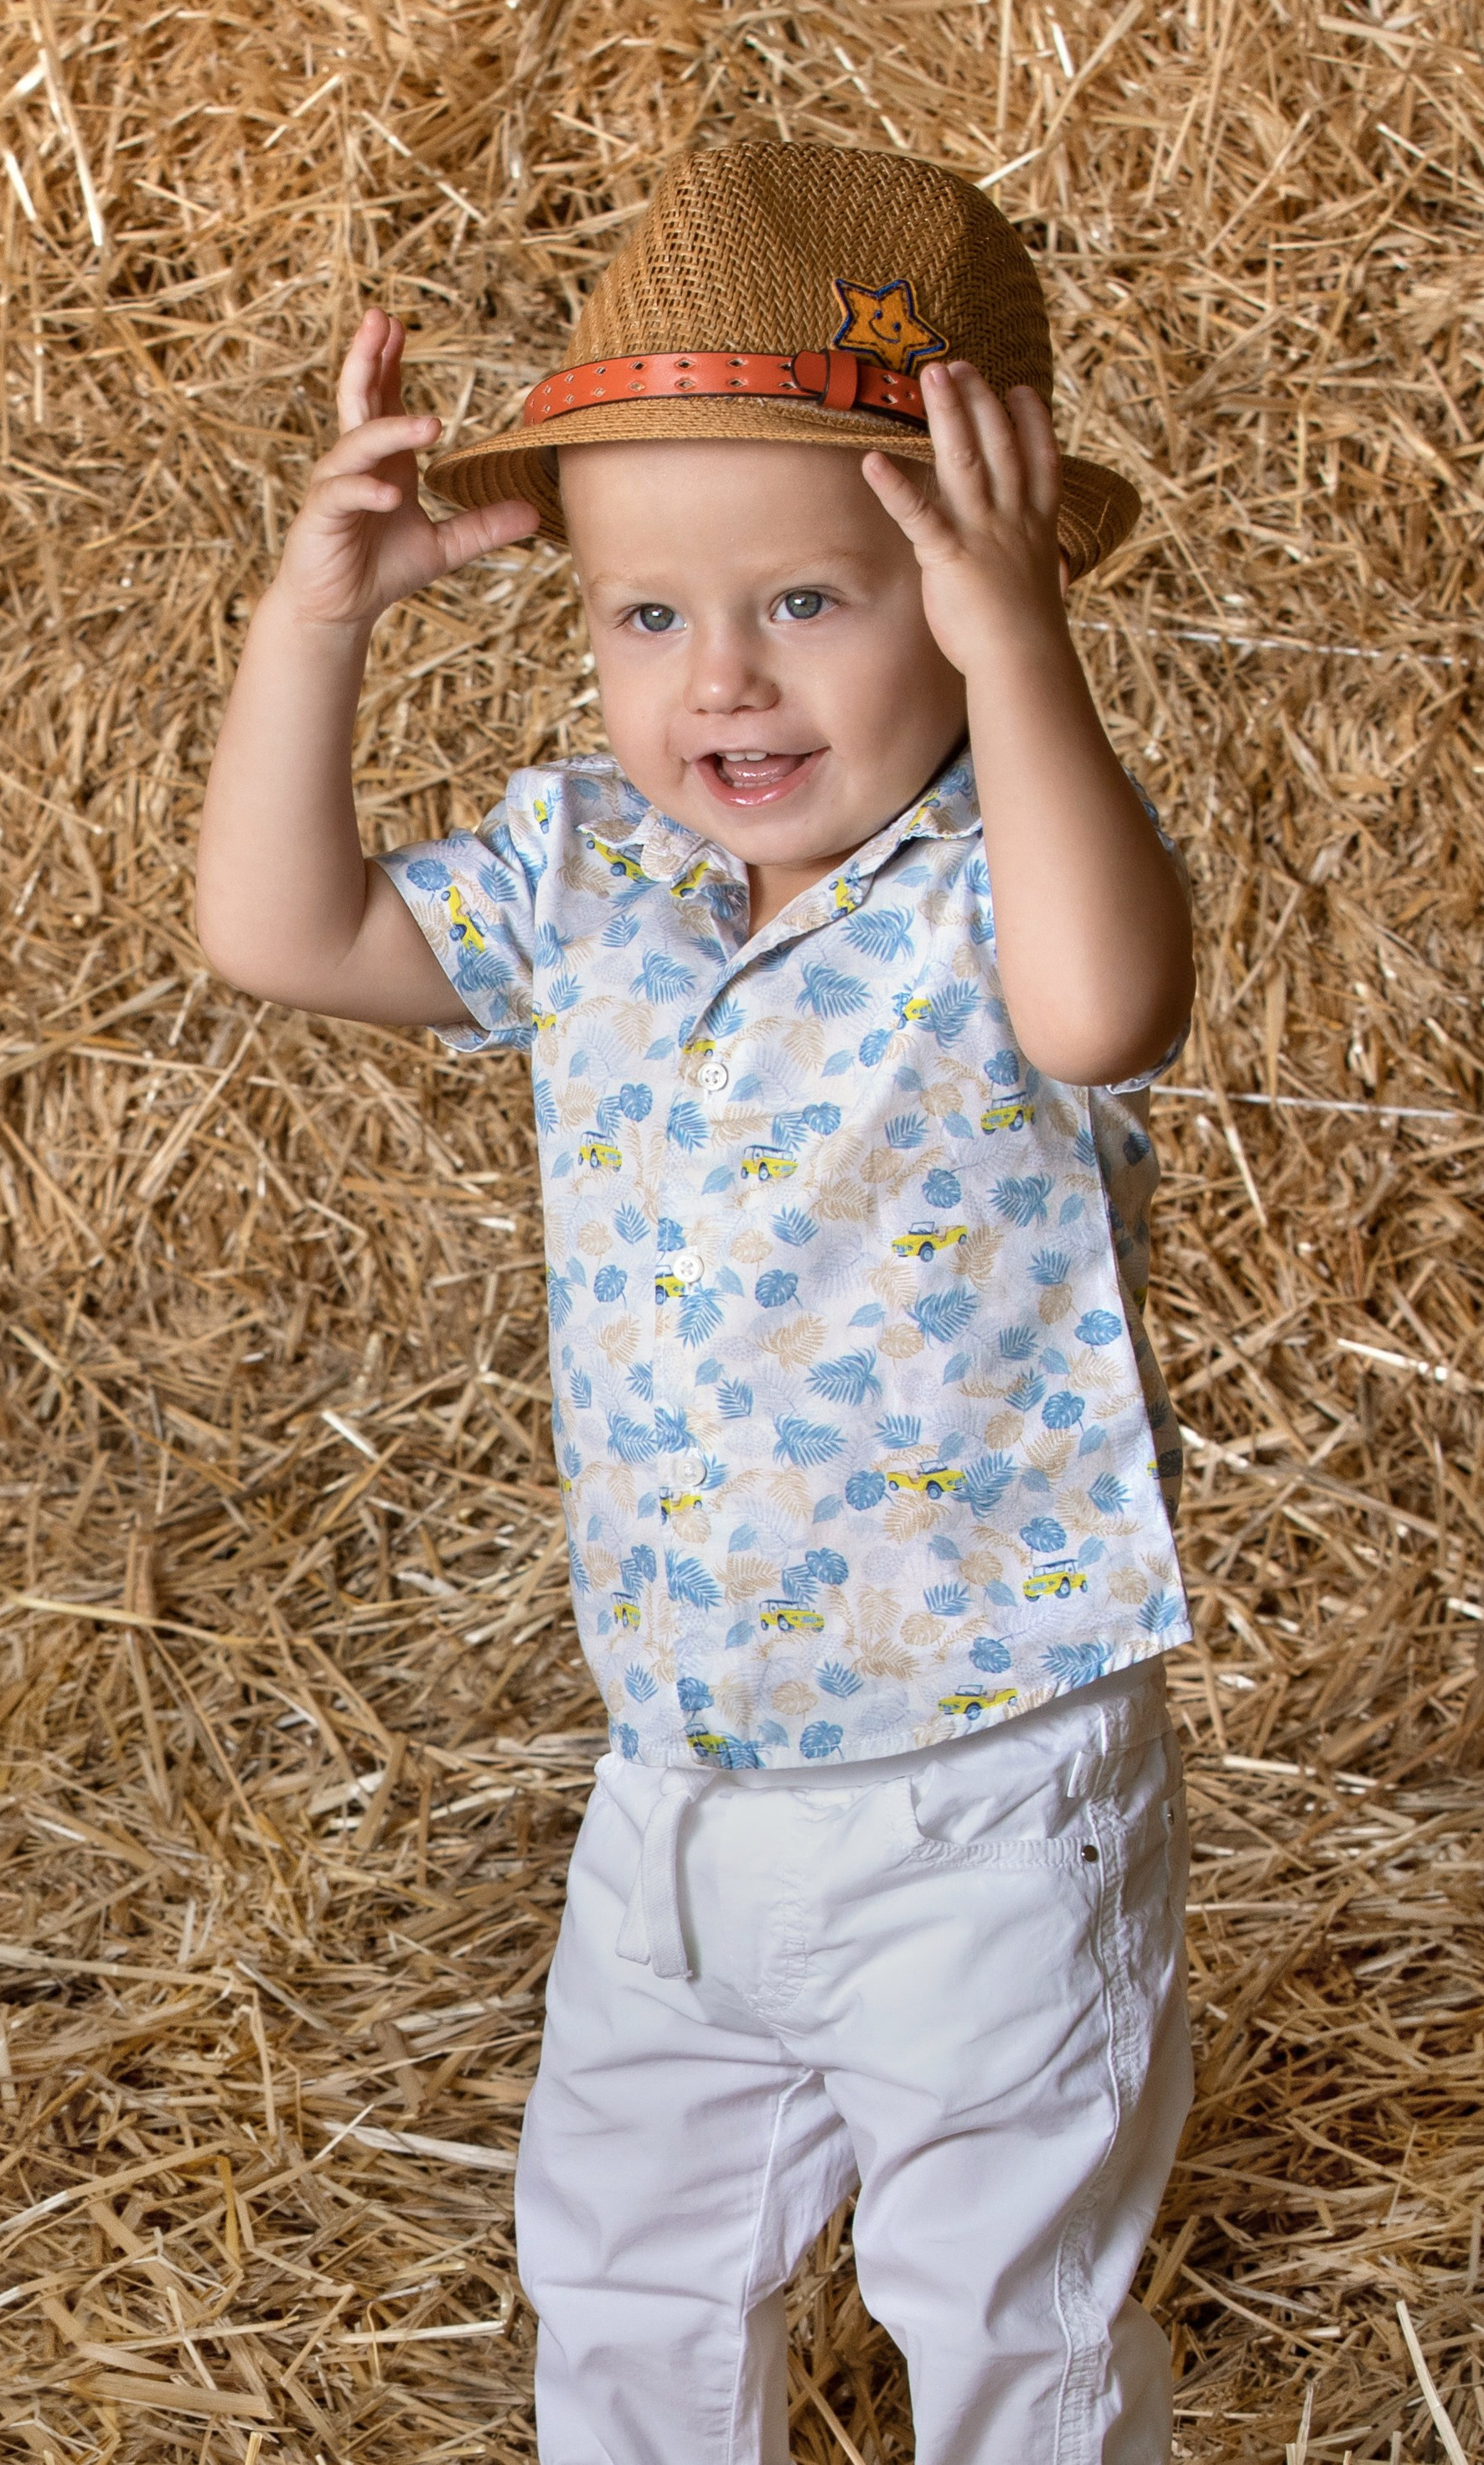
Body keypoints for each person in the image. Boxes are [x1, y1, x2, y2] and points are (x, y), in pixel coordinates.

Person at [199, 139, 1196, 2465]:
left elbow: (1100, 1011)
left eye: (813, 607)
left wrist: (1020, 645)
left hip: (975, 1779)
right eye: (645, 616)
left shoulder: (997, 886)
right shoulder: (593, 873)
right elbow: (281, 932)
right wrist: (313, 616)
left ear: (967, 593)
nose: (718, 681)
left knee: (1005, 2318)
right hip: (675, 1771)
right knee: (620, 2270)